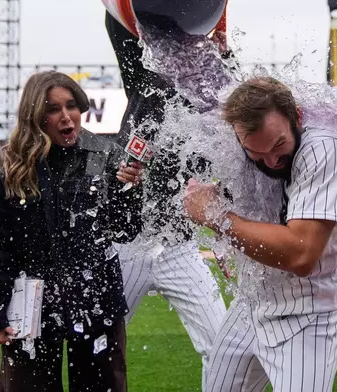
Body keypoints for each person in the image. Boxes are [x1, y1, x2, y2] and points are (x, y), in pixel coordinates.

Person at [0, 71, 144, 392]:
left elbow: (126, 230)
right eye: (53, 109)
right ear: (35, 116)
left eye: (72, 106)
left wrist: (129, 191)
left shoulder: (102, 154)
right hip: (30, 301)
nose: (66, 117)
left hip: (96, 298)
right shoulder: (8, 166)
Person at [184, 77, 337, 392]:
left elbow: (301, 253)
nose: (272, 161)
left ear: (297, 118)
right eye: (256, 152)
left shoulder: (324, 146)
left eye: (278, 145)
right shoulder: (239, 145)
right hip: (252, 302)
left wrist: (217, 217)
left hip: (309, 313)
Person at [104, 10, 227, 374]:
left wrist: (223, 237)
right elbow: (119, 25)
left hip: (177, 246)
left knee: (222, 346)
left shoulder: (208, 104)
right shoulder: (143, 83)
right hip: (129, 245)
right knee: (98, 341)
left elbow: (213, 189)